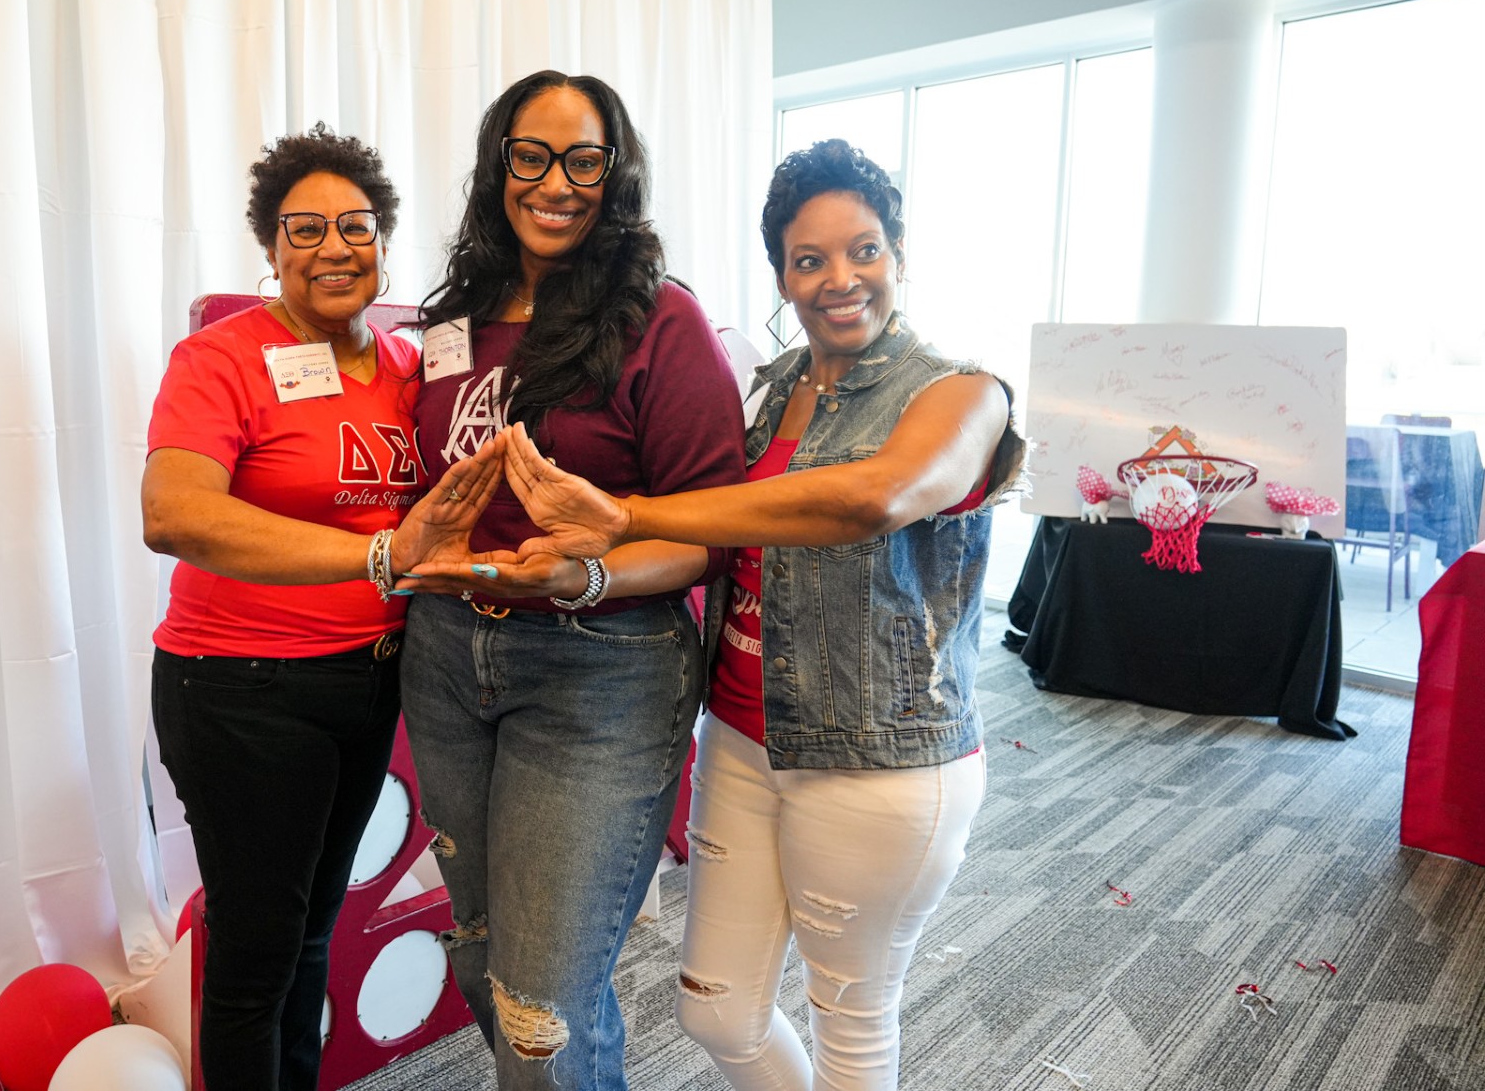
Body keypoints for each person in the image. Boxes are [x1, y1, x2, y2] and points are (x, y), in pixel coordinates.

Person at [499, 138, 1026, 1091]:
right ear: (781, 273)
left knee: (852, 1025)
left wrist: (629, 514)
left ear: (899, 253)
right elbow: (726, 537)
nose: (840, 279)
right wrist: (588, 566)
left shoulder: (962, 394)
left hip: (877, 756)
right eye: (809, 259)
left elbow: (871, 497)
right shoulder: (774, 389)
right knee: (715, 1008)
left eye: (863, 250)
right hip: (741, 735)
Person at [394, 71, 747, 1089]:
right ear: (498, 165)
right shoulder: (454, 317)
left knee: (541, 997)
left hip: (601, 666)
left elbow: (709, 535)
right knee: (483, 950)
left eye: (583, 159)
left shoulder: (660, 322)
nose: (557, 182)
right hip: (451, 655)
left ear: (615, 171)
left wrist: (586, 574)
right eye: (532, 156)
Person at [140, 124, 504, 1091]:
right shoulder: (220, 359)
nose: (333, 246)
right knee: (257, 952)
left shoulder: (404, 366)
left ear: (384, 239)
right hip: (242, 690)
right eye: (304, 227)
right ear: (269, 247)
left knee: (309, 933)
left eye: (355, 225)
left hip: (366, 683)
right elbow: (174, 514)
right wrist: (376, 554)